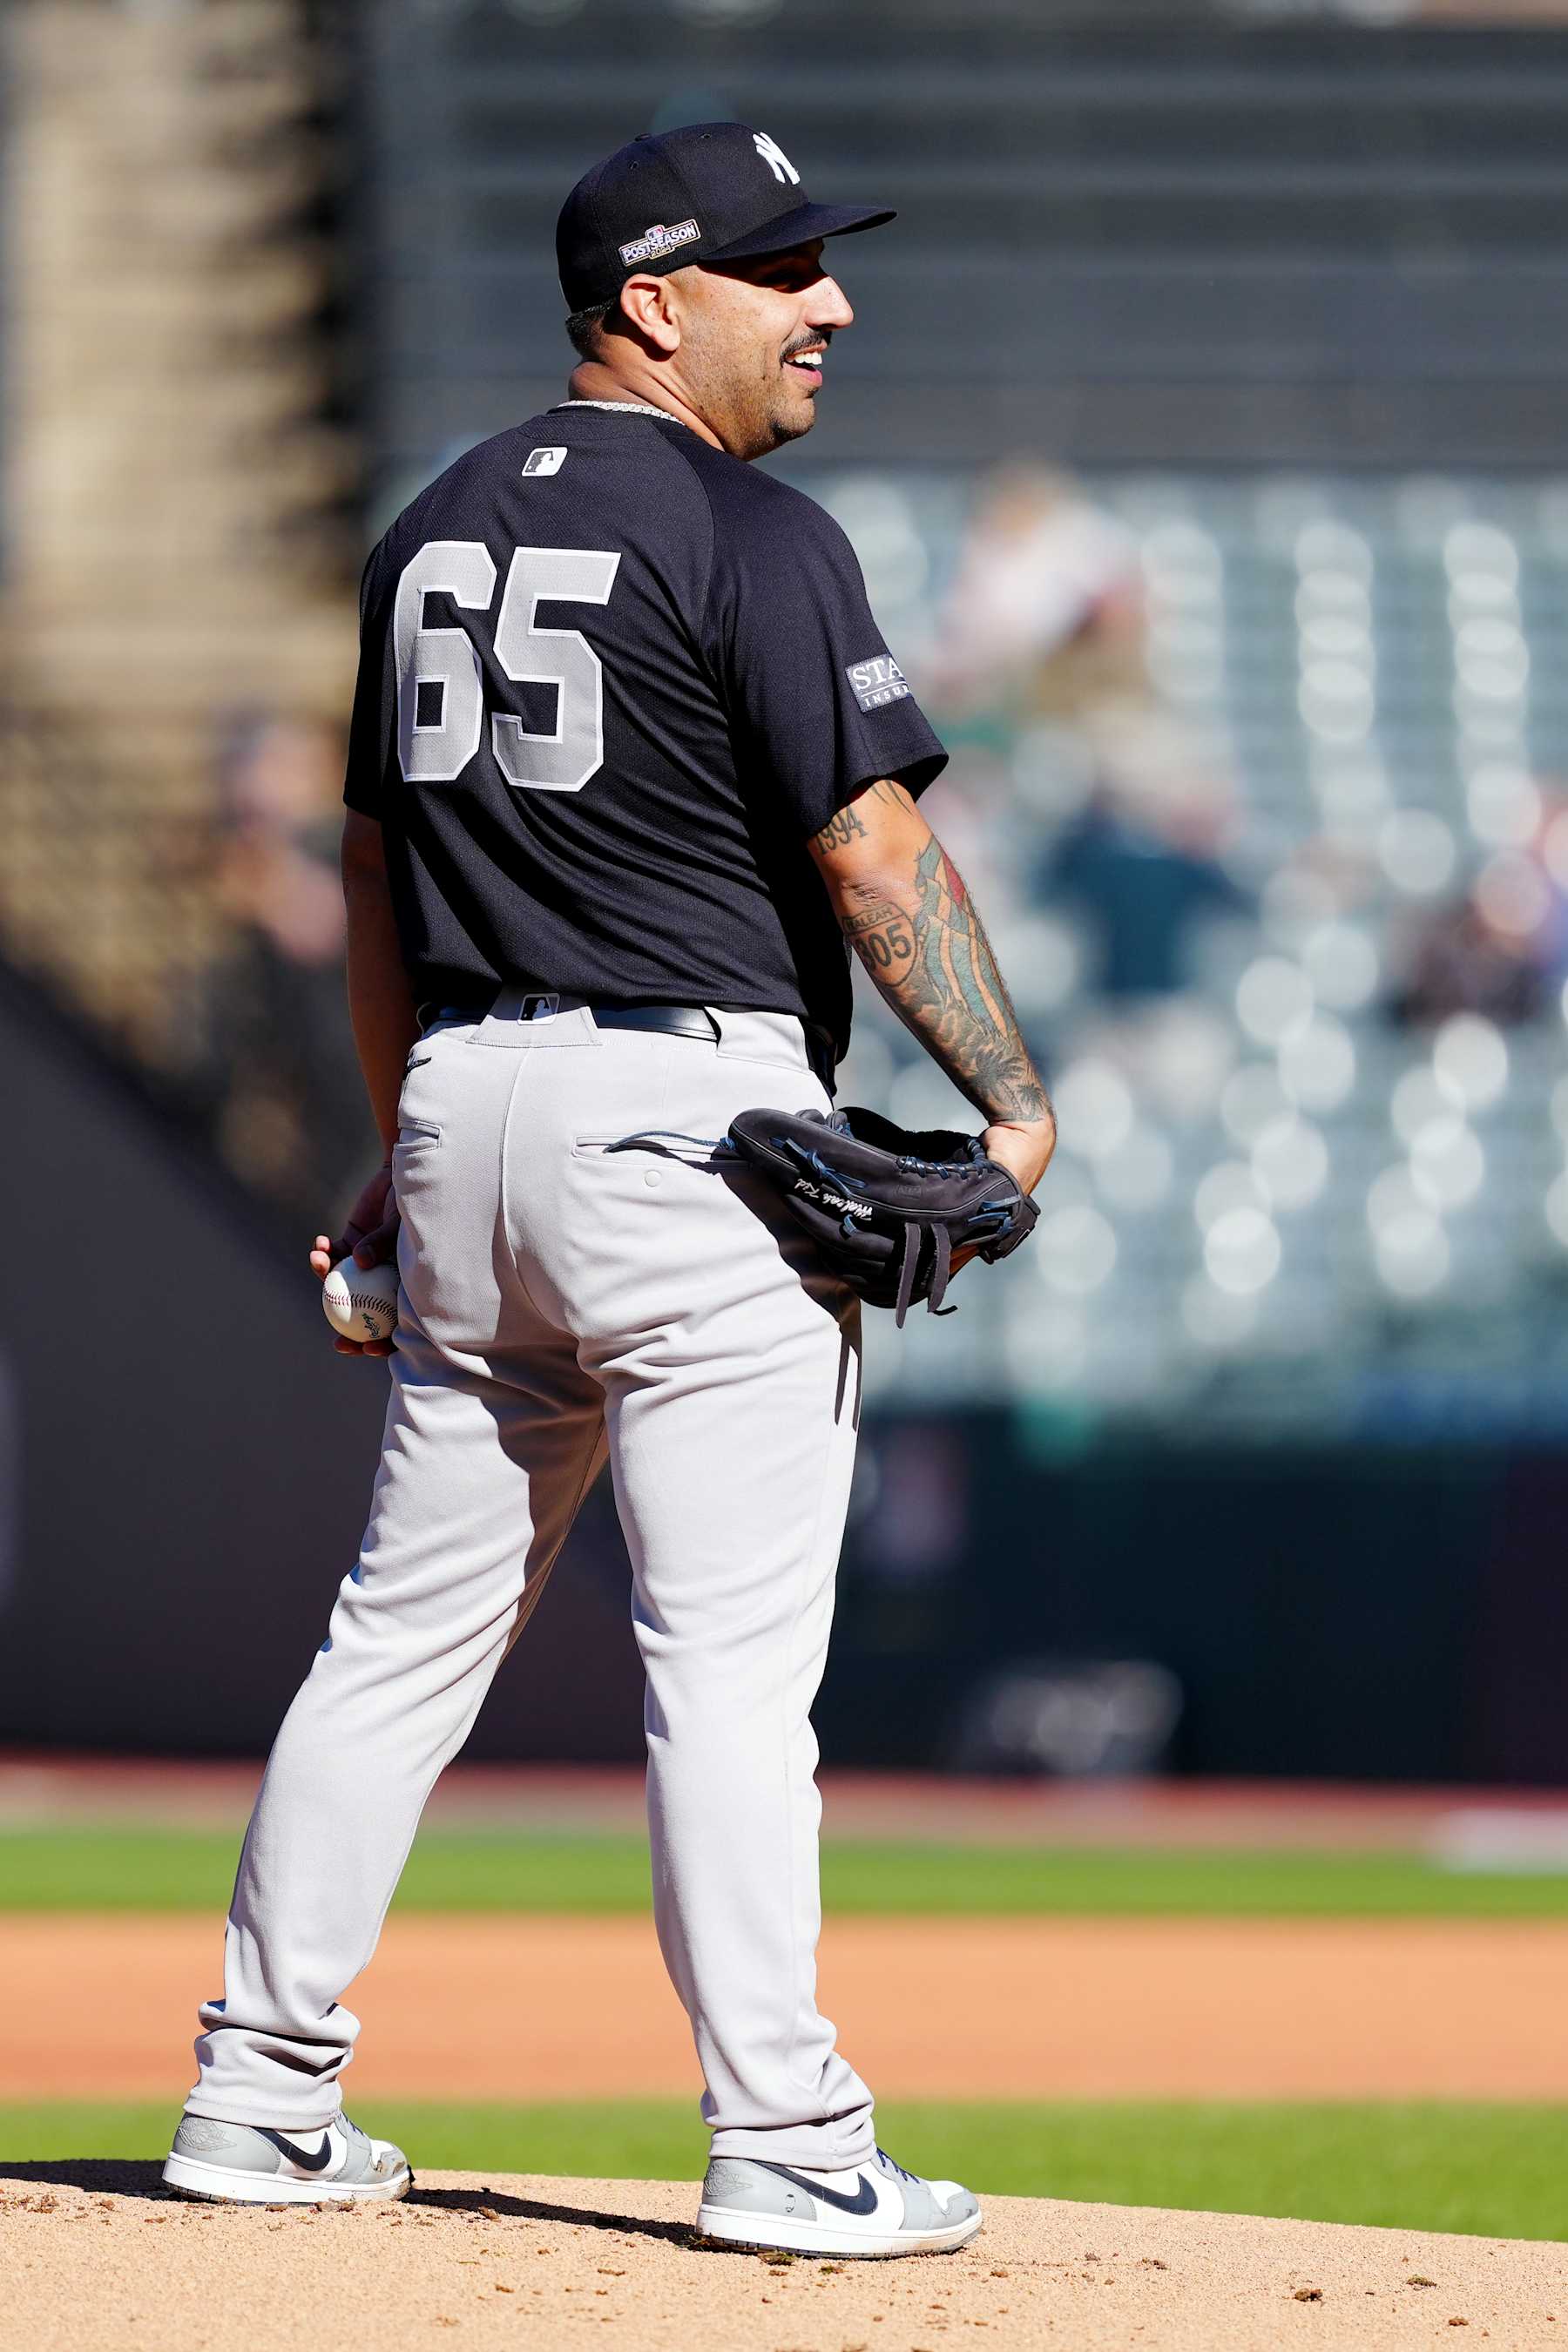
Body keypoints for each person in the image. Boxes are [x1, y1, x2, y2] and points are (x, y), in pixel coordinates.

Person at [163, 122, 1054, 2257]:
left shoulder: (423, 528)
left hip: (470, 1100)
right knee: (730, 1666)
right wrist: (1012, 1107)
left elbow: (378, 872)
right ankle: (787, 2140)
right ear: (653, 304)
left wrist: (402, 1147)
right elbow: (869, 851)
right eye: (780, 269)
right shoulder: (753, 530)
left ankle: (254, 2091)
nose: (828, 299)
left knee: (394, 1644)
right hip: (691, 1121)